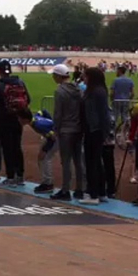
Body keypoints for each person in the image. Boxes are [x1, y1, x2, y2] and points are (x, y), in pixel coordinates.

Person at [49, 64, 85, 201]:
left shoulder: (60, 91)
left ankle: (65, 189)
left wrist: (55, 129)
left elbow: (58, 113)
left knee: (66, 161)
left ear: (58, 76)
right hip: (78, 128)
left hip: (65, 129)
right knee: (78, 160)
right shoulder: (78, 89)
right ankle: (80, 188)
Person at [0, 59, 30, 186]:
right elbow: (28, 99)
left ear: (0, 71)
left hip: (4, 120)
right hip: (18, 119)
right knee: (17, 147)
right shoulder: (20, 82)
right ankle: (20, 175)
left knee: (7, 148)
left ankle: (10, 176)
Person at [81, 67, 111, 205]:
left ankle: (93, 193)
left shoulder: (96, 92)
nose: (84, 79)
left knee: (92, 162)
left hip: (95, 130)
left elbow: (103, 114)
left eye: (85, 76)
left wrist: (105, 132)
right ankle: (101, 191)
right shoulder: (97, 91)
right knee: (96, 162)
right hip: (94, 130)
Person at [18, 108, 57, 193]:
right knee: (41, 158)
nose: (18, 120)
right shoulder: (35, 119)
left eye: (19, 118)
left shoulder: (38, 125)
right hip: (52, 137)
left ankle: (48, 184)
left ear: (25, 119)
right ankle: (45, 181)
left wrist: (45, 150)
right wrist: (50, 122)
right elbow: (44, 111)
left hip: (57, 139)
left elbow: (53, 137)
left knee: (45, 158)